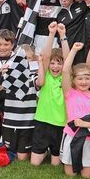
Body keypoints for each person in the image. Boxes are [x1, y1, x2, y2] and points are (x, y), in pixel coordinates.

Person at [0, 30, 36, 159]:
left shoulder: (19, 60)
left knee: (19, 152)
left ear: (12, 45)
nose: (2, 47)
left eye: (6, 44)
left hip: (17, 105)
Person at [61, 52, 90, 178]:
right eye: (80, 78)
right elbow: (65, 70)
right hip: (71, 136)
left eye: (87, 78)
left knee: (87, 176)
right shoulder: (69, 93)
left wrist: (83, 123)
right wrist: (73, 50)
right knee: (70, 174)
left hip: (88, 138)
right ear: (73, 80)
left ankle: (89, 164)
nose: (83, 81)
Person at [31, 25, 68, 166]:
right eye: (52, 63)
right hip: (42, 121)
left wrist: (63, 35)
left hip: (59, 124)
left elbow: (68, 57)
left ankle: (52, 151)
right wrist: (51, 33)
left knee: (55, 164)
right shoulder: (45, 75)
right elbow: (45, 57)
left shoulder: (66, 77)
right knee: (34, 163)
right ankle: (43, 150)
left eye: (59, 63)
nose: (55, 66)